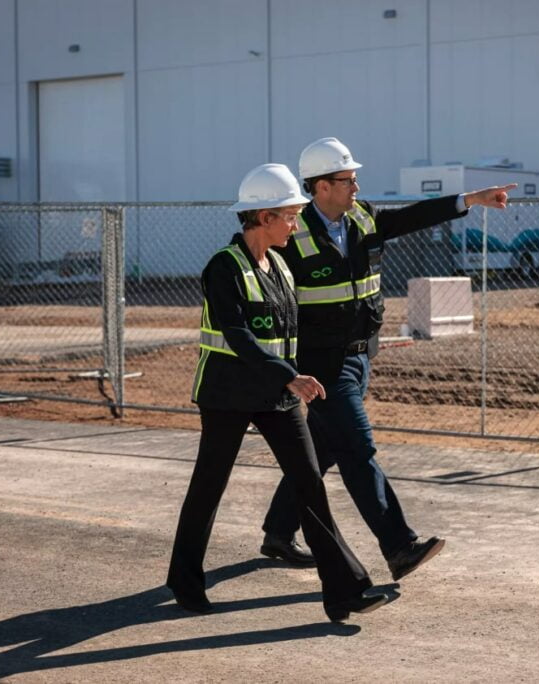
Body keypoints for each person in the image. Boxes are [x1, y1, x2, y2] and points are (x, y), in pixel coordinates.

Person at [259, 137, 516, 581]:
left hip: (360, 358)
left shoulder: (361, 218)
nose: (356, 186)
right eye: (347, 179)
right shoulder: (291, 233)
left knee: (323, 450)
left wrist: (470, 199)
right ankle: (399, 547)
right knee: (358, 449)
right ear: (321, 187)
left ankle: (278, 532)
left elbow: (412, 217)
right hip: (321, 366)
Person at [166, 163, 386, 623]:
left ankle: (344, 590)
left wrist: (304, 372)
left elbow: (293, 331)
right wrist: (289, 375)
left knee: (310, 485)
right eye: (289, 215)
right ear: (263, 217)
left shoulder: (282, 267)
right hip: (227, 395)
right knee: (208, 487)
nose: (295, 224)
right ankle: (185, 581)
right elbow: (238, 335)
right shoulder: (222, 268)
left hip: (278, 396)